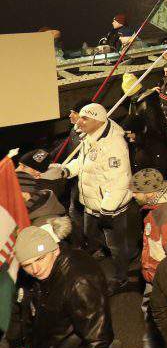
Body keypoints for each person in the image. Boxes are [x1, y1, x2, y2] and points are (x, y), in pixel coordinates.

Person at [12, 226, 114, 348]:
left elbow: (98, 340)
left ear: (55, 250)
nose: (35, 269)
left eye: (40, 259)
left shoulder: (80, 281)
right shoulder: (33, 275)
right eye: (27, 264)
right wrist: (23, 347)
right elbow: (27, 312)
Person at [56, 102, 134, 291]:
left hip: (109, 209)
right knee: (91, 235)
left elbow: (120, 181)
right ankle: (106, 252)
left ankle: (122, 276)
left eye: (84, 118)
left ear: (98, 121)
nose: (79, 122)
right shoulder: (91, 136)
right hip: (91, 205)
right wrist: (67, 170)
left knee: (116, 245)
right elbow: (83, 162)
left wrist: (107, 210)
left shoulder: (113, 145)